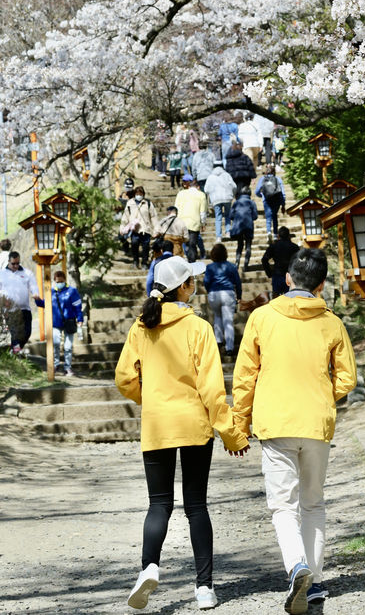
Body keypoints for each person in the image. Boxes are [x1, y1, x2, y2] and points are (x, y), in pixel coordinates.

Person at [115, 255, 249, 611]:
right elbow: (211, 390)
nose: (196, 286)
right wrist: (231, 433)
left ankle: (148, 569)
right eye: (194, 281)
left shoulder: (141, 327)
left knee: (158, 504)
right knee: (196, 506)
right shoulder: (199, 328)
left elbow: (124, 379)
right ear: (186, 287)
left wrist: (152, 397)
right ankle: (204, 588)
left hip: (157, 424)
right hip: (193, 424)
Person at [232, 249, 357, 614]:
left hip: (276, 423)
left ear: (287, 279)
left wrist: (239, 423)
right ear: (321, 285)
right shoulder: (331, 322)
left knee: (283, 507)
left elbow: (244, 378)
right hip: (316, 424)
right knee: (313, 503)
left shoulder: (261, 317)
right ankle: (315, 583)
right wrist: (324, 396)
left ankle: (296, 567)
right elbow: (346, 378)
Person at [0, 252, 44, 354]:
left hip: (25, 308)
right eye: (13, 263)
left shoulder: (27, 273)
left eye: (17, 263)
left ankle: (13, 351)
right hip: (10, 310)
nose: (16, 266)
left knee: (27, 333)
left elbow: (33, 286)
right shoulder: (2, 274)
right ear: (8, 262)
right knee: (15, 333)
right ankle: (15, 353)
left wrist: (35, 294)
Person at [204, 243, 242, 360]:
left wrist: (210, 290)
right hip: (228, 293)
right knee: (228, 320)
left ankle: (218, 341)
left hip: (214, 294)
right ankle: (229, 347)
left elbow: (206, 282)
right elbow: (238, 282)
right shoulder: (231, 266)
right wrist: (239, 296)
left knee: (217, 317)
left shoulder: (210, 267)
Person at [52, 270, 84, 376]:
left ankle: (67, 367)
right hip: (56, 323)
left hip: (69, 322)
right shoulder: (51, 292)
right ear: (54, 281)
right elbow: (45, 304)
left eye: (61, 281)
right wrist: (38, 301)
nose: (59, 283)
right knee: (56, 343)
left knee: (68, 346)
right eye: (57, 281)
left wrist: (80, 319)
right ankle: (56, 364)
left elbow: (77, 307)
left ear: (65, 280)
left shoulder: (72, 291)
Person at [120, 186, 160, 269]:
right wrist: (122, 227)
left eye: (140, 194)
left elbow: (153, 216)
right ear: (134, 194)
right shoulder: (130, 203)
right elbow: (125, 216)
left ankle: (144, 263)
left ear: (143, 194)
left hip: (146, 229)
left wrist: (156, 229)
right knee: (134, 244)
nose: (139, 195)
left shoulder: (148, 203)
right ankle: (135, 261)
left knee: (146, 247)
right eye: (137, 194)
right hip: (134, 229)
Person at [174, 175, 208, 263]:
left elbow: (176, 208)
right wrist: (203, 224)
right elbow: (202, 212)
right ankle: (192, 262)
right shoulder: (201, 195)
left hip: (181, 223)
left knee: (184, 243)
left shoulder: (181, 193)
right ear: (198, 187)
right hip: (194, 223)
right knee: (192, 244)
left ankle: (187, 259)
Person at [203, 161, 236, 242]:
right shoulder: (227, 175)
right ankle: (228, 232)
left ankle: (219, 236)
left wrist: (212, 194)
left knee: (218, 217)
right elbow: (234, 186)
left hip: (216, 199)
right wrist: (233, 195)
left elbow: (206, 189)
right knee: (228, 215)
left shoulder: (210, 177)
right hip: (227, 197)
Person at [261, 227, 299, 297]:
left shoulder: (274, 246)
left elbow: (264, 259)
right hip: (290, 275)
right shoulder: (294, 247)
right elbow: (300, 262)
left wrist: (269, 273)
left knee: (276, 299)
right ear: (288, 235)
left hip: (277, 275)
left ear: (278, 236)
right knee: (291, 298)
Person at [229, 186, 258, 271]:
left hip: (238, 226)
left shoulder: (236, 202)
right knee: (248, 245)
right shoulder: (252, 203)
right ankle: (246, 264)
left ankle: (237, 262)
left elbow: (231, 216)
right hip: (248, 226)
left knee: (239, 245)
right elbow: (255, 216)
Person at [255, 164, 286, 241]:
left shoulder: (262, 179)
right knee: (274, 216)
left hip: (266, 199)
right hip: (277, 200)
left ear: (266, 172)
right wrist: (283, 204)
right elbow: (282, 192)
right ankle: (275, 235)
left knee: (268, 217)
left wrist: (262, 195)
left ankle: (269, 232)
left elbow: (257, 191)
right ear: (274, 172)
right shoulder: (277, 179)